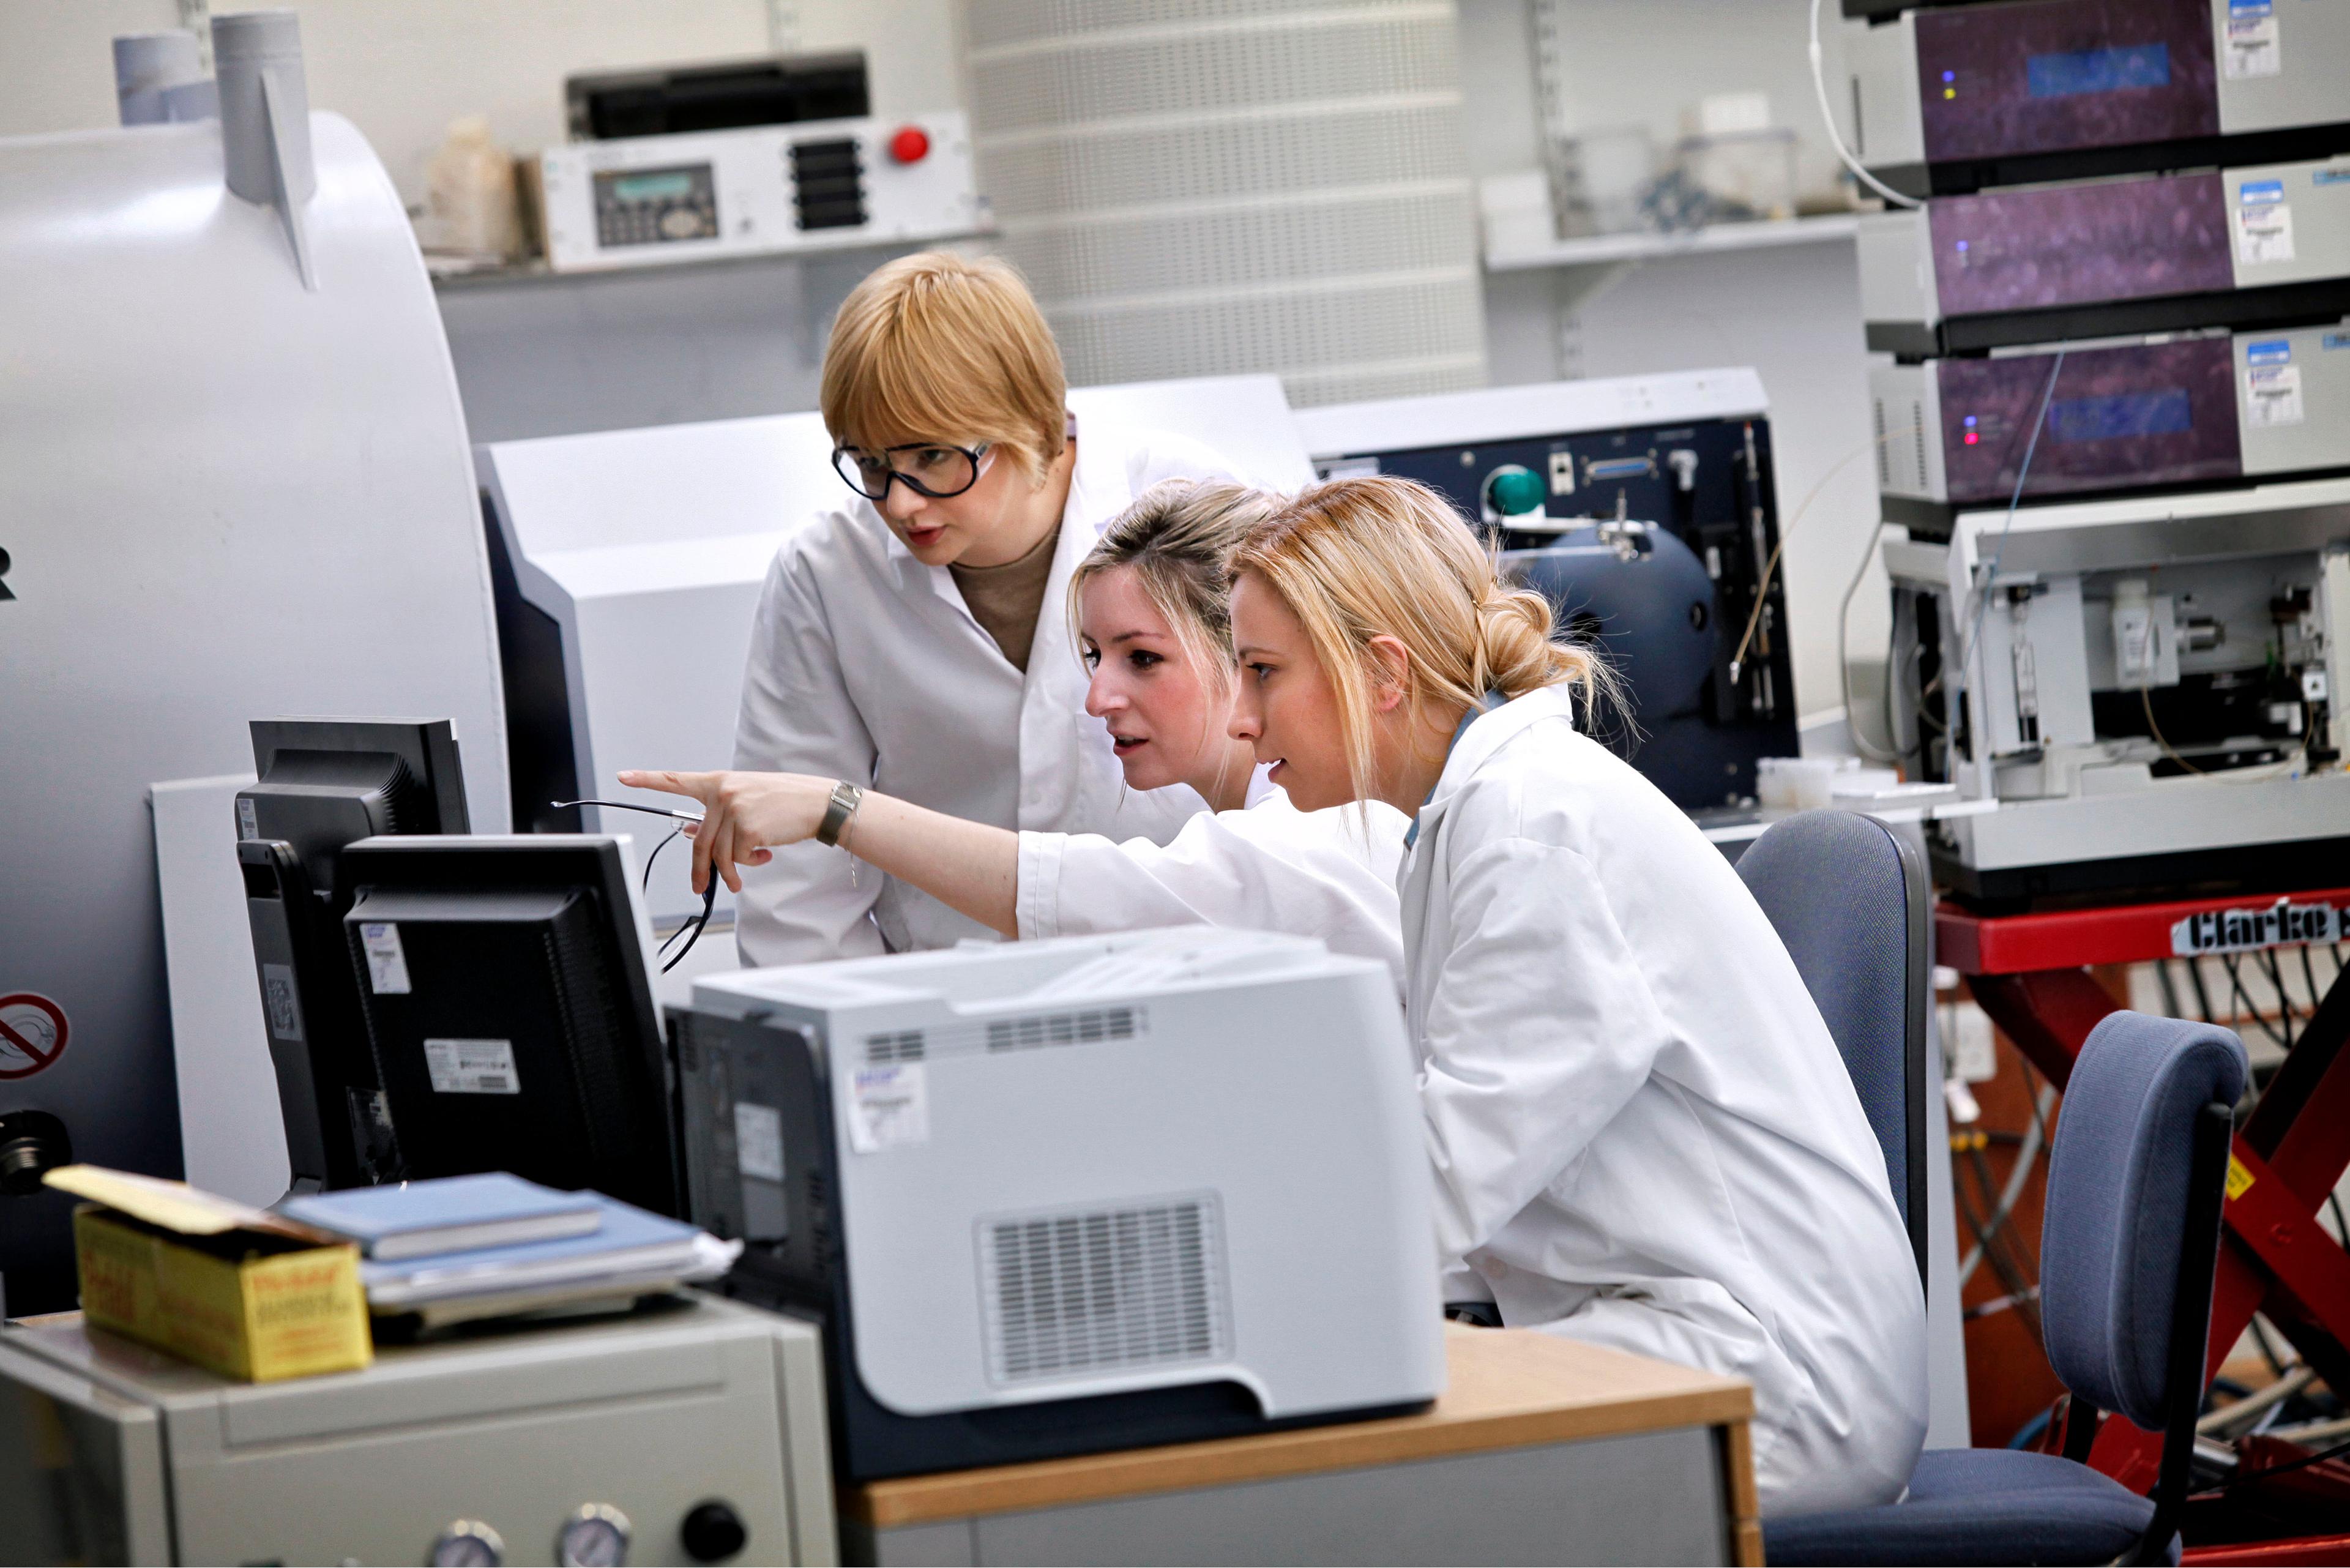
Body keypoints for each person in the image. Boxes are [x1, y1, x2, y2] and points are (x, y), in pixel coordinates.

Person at [1220, 475, 1927, 1517]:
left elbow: (1445, 1178)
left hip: (1781, 1381)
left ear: (1382, 671)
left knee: (1334, 1483)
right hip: (1684, 1324)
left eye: (1262, 672)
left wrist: (1216, 1282)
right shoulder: (1479, 815)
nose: (1240, 719)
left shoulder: (1534, 830)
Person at [623, 479, 1411, 985]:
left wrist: (835, 810)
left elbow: (1075, 890)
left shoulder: (1313, 834)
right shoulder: (1271, 826)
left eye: (1143, 659)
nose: (1098, 697)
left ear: (1243, 653)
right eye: (1095, 656)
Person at [726, 250, 1245, 966]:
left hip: (1198, 965)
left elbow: (1301, 781)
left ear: (1031, 422)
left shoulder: (1189, 504)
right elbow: (798, 890)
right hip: (951, 995)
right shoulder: (826, 573)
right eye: (871, 464)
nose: (899, 503)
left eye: (933, 458)